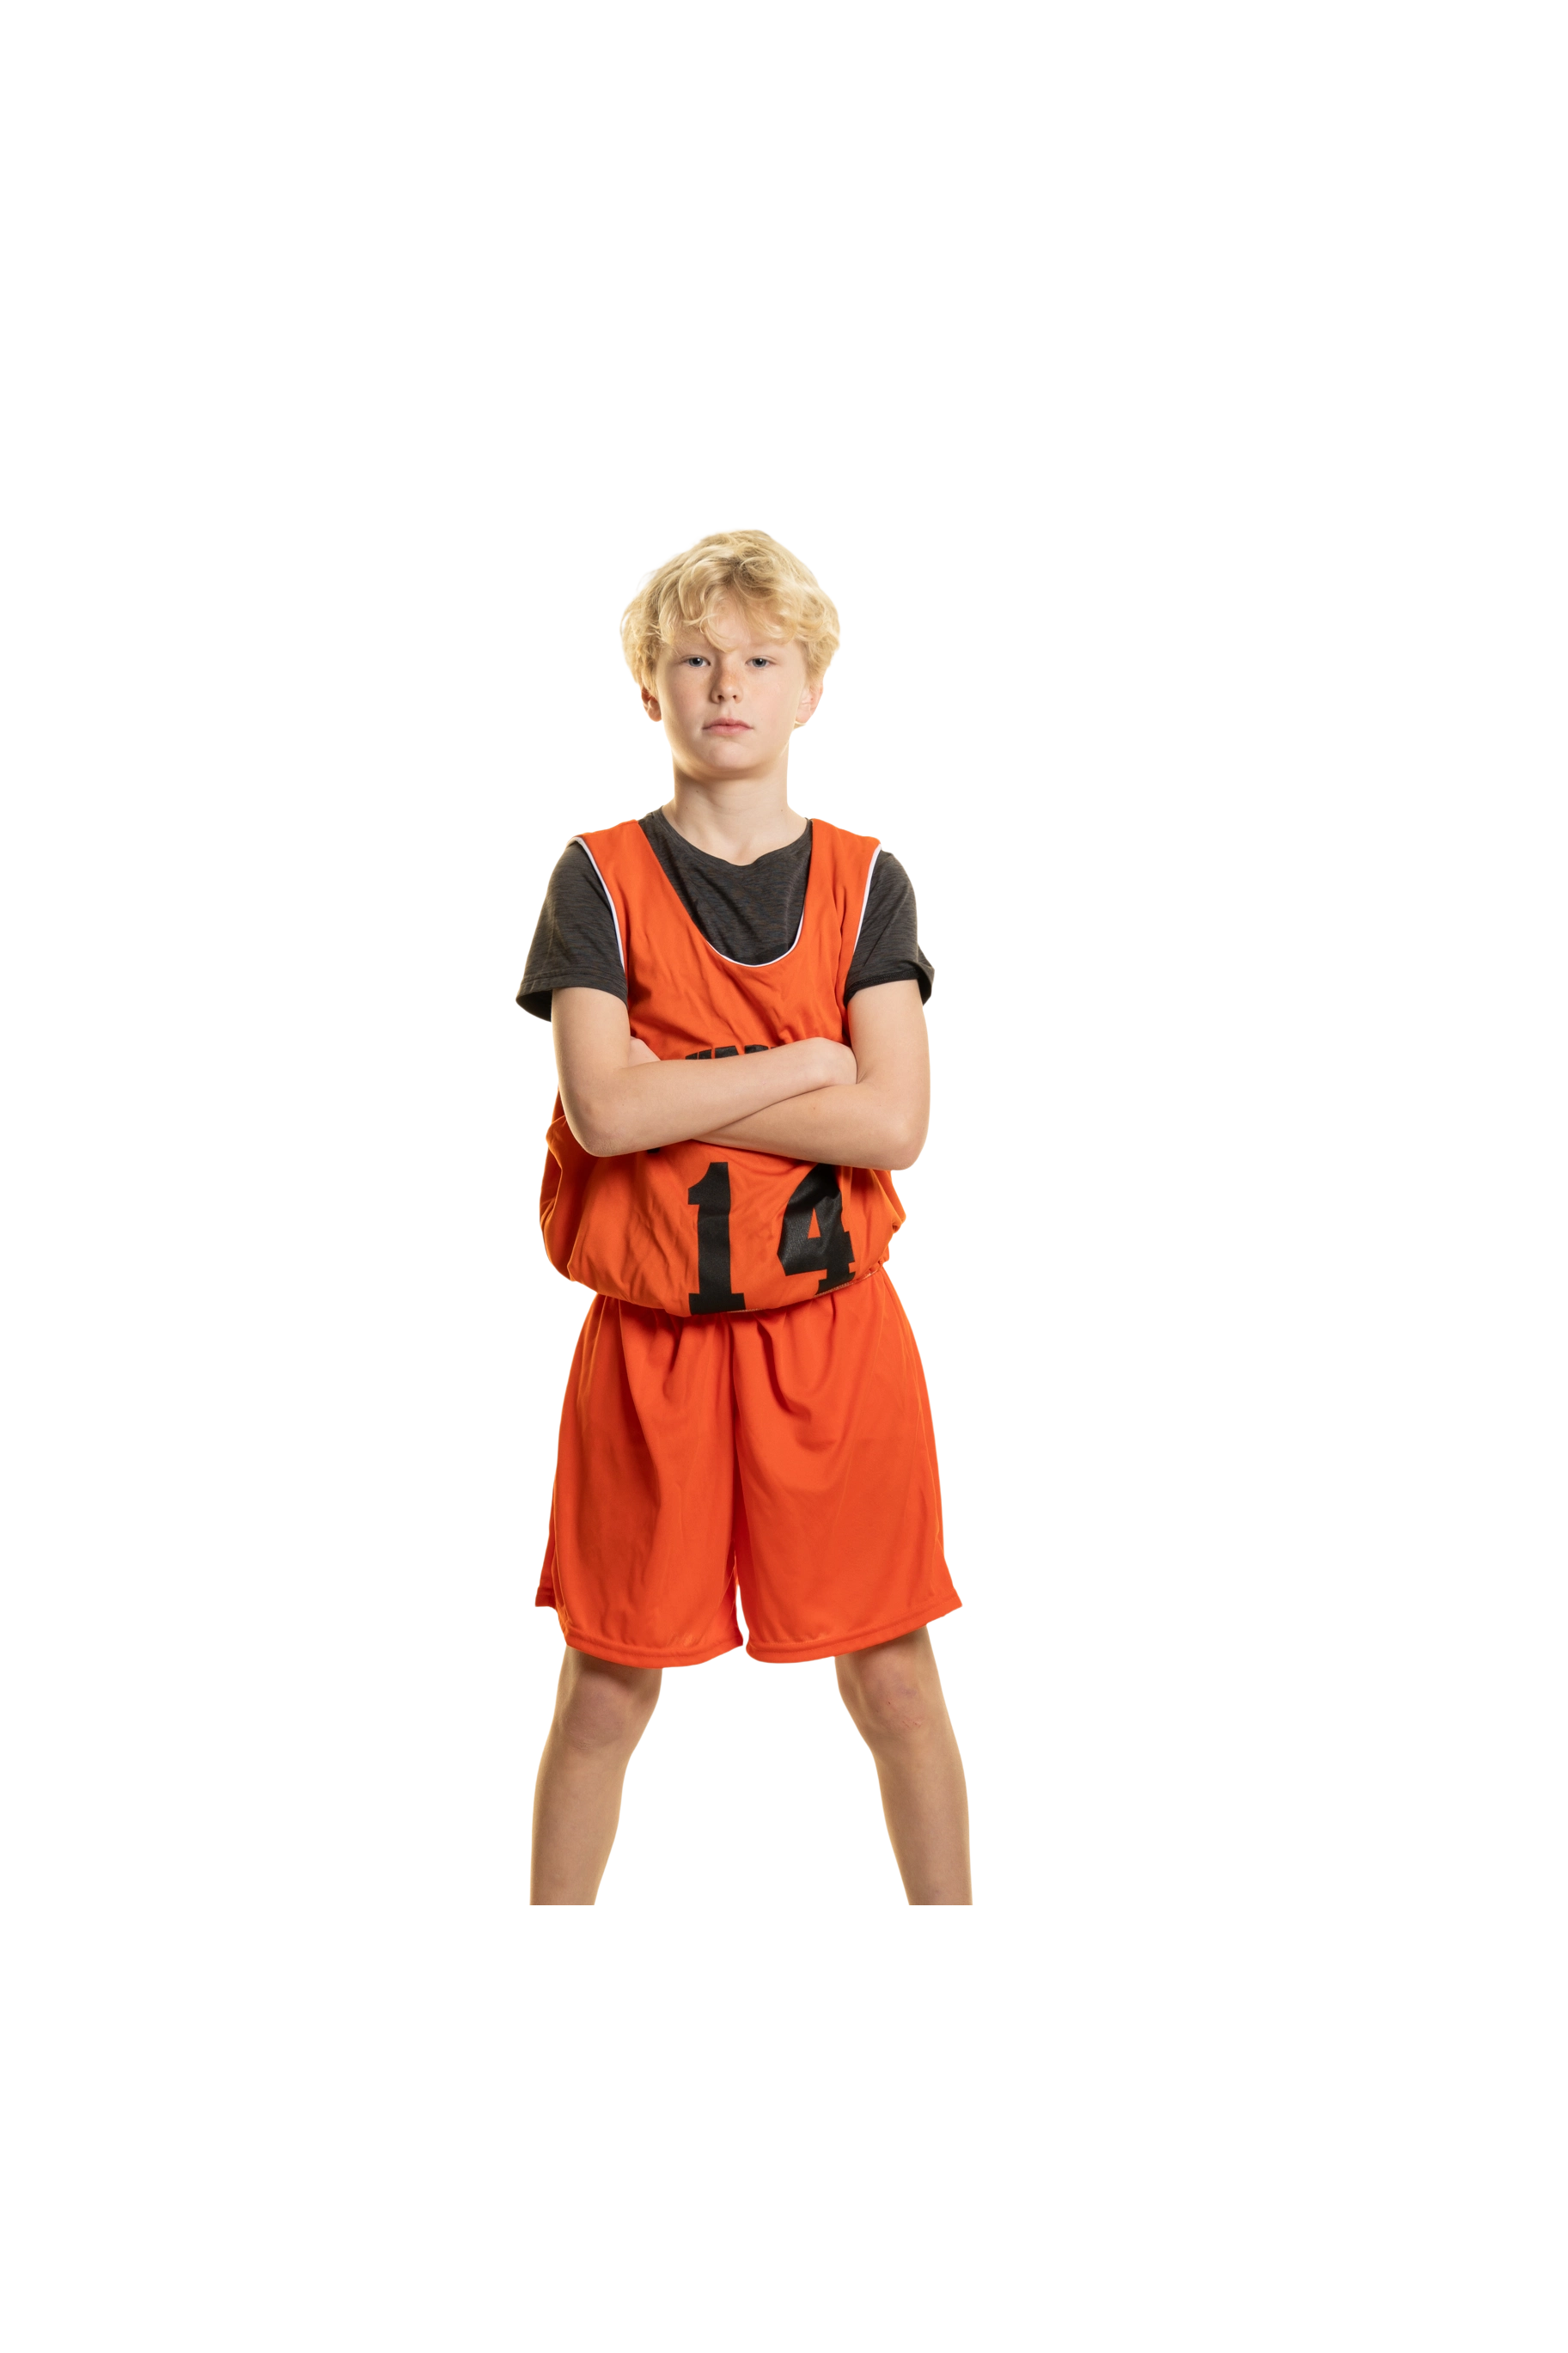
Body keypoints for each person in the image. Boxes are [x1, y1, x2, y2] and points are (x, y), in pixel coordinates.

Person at [516, 528, 970, 1904]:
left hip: (832, 1338)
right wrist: (803, 1064)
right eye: (696, 658)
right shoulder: (597, 878)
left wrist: (685, 1089)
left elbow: (892, 1124)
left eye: (763, 660)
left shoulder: (866, 880)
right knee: (606, 1687)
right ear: (646, 684)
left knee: (894, 1677)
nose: (728, 684)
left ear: (811, 688)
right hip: (651, 1344)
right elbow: (604, 1110)